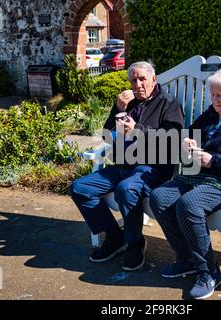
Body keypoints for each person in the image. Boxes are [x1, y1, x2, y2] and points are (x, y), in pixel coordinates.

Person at [149, 68, 221, 299]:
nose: (214, 100)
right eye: (212, 94)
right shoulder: (211, 114)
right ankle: (187, 259)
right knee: (160, 196)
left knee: (189, 205)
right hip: (199, 177)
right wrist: (186, 143)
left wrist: (214, 160)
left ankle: (209, 272)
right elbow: (190, 135)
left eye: (220, 95)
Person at [70, 61, 184, 271]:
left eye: (142, 79)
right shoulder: (129, 102)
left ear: (154, 79)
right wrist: (118, 107)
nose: (138, 84)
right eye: (134, 80)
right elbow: (106, 135)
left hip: (152, 168)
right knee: (80, 188)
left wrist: (137, 130)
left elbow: (174, 139)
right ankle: (115, 237)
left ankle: (135, 243)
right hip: (124, 165)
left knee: (126, 189)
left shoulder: (168, 103)